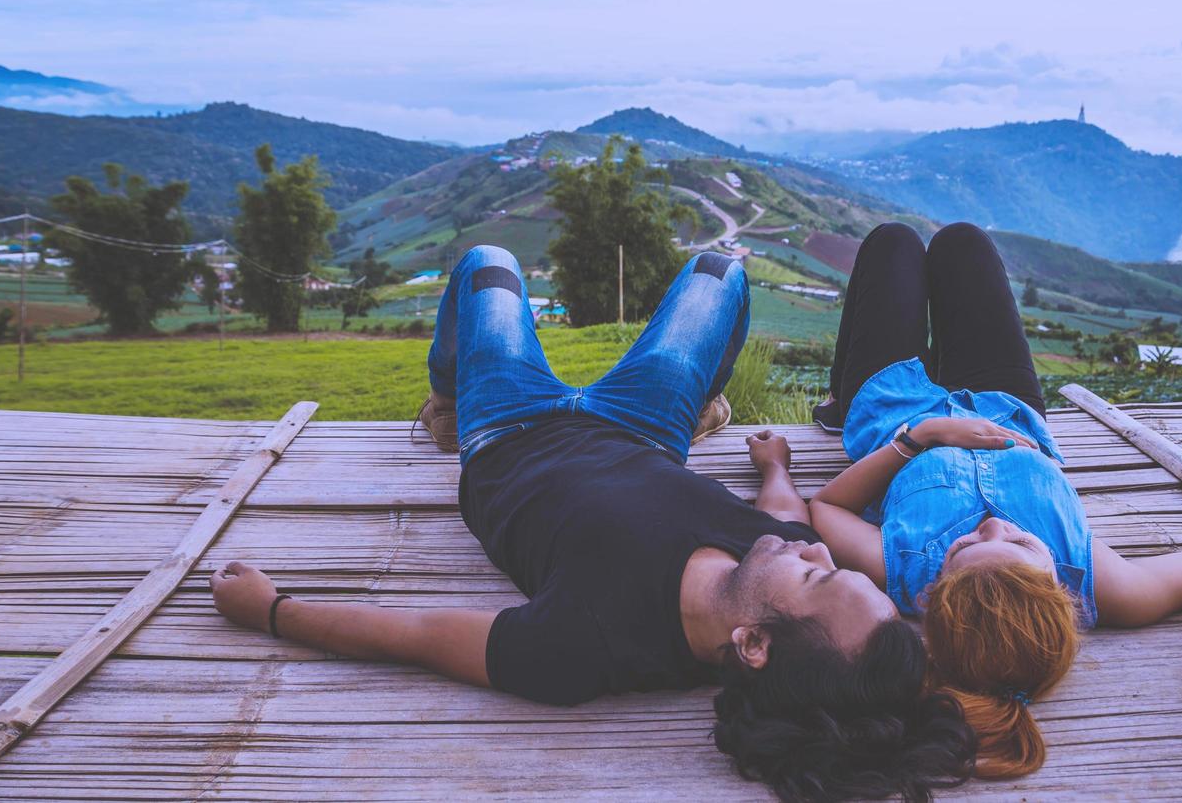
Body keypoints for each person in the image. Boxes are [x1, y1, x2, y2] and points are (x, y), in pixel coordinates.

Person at [213, 244, 976, 801]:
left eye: (818, 575)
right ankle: (706, 401)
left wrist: (275, 612)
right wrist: (774, 465)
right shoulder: (780, 560)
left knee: (488, 262)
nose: (821, 552)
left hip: (507, 431)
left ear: (751, 643)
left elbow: (415, 635)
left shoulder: (583, 646)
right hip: (643, 427)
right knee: (722, 269)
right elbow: (787, 516)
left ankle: (446, 401)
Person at [803, 222, 1182, 779]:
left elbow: (825, 508)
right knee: (963, 243)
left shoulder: (903, 570)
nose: (993, 527)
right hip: (1008, 403)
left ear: (933, 592)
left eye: (963, 547)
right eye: (1022, 542)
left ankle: (840, 398)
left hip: (893, 406)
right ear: (1060, 589)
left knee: (893, 242)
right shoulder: (1104, 584)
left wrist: (921, 437)